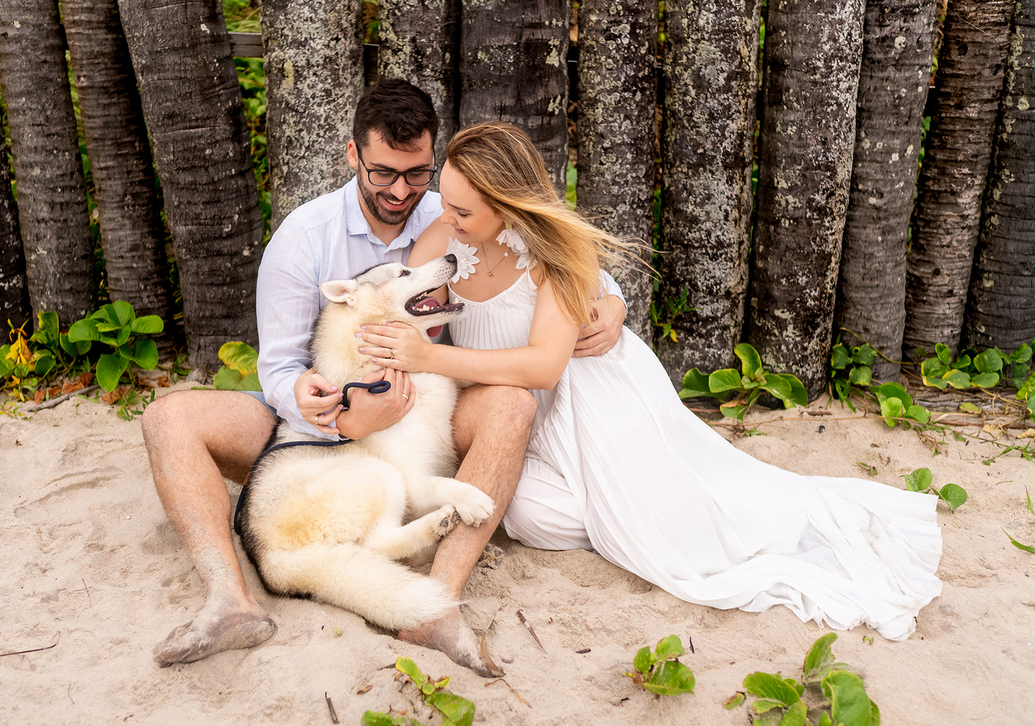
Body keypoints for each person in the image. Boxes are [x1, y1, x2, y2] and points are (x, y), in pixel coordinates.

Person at [357, 121, 943, 641]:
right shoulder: (445, 237)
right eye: (449, 204)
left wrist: (430, 360)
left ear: (508, 206)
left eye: (463, 210)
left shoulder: (553, 255)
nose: (446, 218)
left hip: (593, 399)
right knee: (533, 517)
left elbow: (543, 366)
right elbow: (406, 298)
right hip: (512, 405)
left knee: (677, 522)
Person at [141, 81, 628, 673]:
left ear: (433, 160)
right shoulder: (304, 237)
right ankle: (228, 600)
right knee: (169, 416)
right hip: (313, 425)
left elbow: (538, 240)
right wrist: (332, 411)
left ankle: (439, 606)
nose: (401, 191)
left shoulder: (451, 209)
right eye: (383, 173)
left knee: (512, 405)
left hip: (424, 415)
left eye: (416, 173)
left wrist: (612, 299)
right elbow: (278, 367)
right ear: (353, 156)